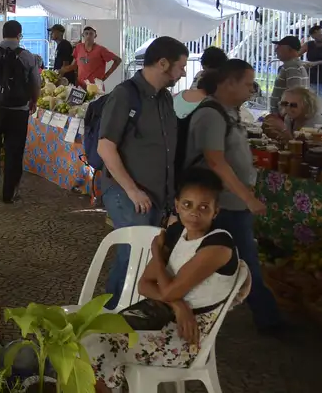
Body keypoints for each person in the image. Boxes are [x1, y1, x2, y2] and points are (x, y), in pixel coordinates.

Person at [84, 168, 247, 393]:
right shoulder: (177, 232)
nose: (194, 214)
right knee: (86, 336)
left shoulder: (218, 245)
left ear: (215, 211)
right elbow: (145, 284)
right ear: (178, 205)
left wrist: (157, 253)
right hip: (159, 316)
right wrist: (178, 304)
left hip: (186, 337)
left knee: (98, 345)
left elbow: (167, 290)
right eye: (187, 205)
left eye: (204, 207)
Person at [183, 58, 284, 333]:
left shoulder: (229, 112)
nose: (252, 90)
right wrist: (247, 198)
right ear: (229, 83)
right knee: (245, 261)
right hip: (223, 204)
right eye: (248, 84)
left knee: (233, 260)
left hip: (230, 202)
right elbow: (215, 161)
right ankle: (268, 318)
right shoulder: (210, 115)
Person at [97, 36, 188, 307]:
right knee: (135, 255)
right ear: (162, 63)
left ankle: (117, 313)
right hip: (128, 193)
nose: (184, 72)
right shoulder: (125, 95)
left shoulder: (164, 100)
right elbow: (105, 147)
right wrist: (132, 190)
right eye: (181, 66)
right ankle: (112, 315)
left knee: (141, 255)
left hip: (155, 195)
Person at [0, 20, 41, 203]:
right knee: (14, 151)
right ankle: (10, 194)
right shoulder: (28, 56)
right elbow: (36, 84)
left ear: (2, 34)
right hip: (19, 111)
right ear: (19, 35)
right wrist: (34, 101)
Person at [174, 46, 228, 119]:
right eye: (204, 68)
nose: (203, 72)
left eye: (206, 68)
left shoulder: (223, 80)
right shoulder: (200, 75)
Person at [269, 35, 309, 112]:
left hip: (285, 118)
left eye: (279, 47)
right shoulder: (290, 66)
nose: (275, 50)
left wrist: (284, 115)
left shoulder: (293, 67)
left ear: (290, 50)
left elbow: (295, 96)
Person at [306, 24, 322, 95]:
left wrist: (317, 63)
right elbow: (296, 54)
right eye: (321, 33)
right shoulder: (309, 44)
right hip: (312, 77)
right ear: (313, 35)